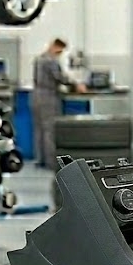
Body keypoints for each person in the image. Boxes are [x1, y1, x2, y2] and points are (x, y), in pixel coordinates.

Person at [32, 38, 86, 169]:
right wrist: (76, 84)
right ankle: (51, 163)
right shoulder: (51, 60)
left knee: (39, 130)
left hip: (36, 96)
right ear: (56, 47)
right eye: (60, 51)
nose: (60, 54)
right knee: (50, 130)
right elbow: (60, 77)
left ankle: (41, 160)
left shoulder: (39, 59)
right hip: (48, 97)